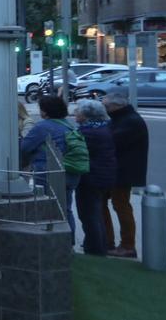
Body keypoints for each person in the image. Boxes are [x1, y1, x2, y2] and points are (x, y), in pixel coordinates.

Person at [20, 96, 79, 240]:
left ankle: (53, 239)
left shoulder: (43, 126)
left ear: (45, 112)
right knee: (66, 208)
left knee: (48, 208)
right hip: (70, 171)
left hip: (47, 172)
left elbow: (25, 147)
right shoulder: (69, 125)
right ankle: (69, 241)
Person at [102, 93, 148, 258]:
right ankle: (108, 241)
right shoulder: (125, 118)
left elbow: (110, 140)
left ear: (116, 106)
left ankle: (128, 245)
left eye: (106, 107)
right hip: (118, 170)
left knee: (121, 205)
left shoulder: (129, 121)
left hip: (122, 172)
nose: (105, 110)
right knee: (112, 204)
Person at [74, 99, 117, 257]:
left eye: (78, 110)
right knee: (95, 213)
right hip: (102, 177)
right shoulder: (103, 129)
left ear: (87, 115)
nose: (75, 113)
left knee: (89, 214)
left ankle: (95, 249)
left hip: (92, 178)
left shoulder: (88, 133)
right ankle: (98, 245)